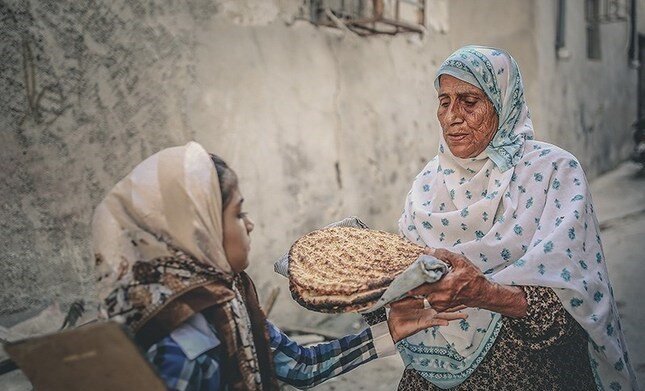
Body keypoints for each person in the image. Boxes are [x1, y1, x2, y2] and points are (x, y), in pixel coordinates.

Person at [364, 46, 639, 390]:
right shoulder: (428, 183)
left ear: (502, 102)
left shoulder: (553, 171)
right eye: (444, 101)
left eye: (469, 100)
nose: (452, 116)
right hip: (433, 378)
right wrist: (368, 287)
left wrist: (484, 293)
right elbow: (398, 303)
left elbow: (574, 308)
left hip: (533, 375)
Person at [92, 141, 466, 390]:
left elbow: (298, 365)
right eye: (238, 214)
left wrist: (391, 330)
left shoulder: (224, 298)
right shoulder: (181, 342)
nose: (250, 224)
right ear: (199, 232)